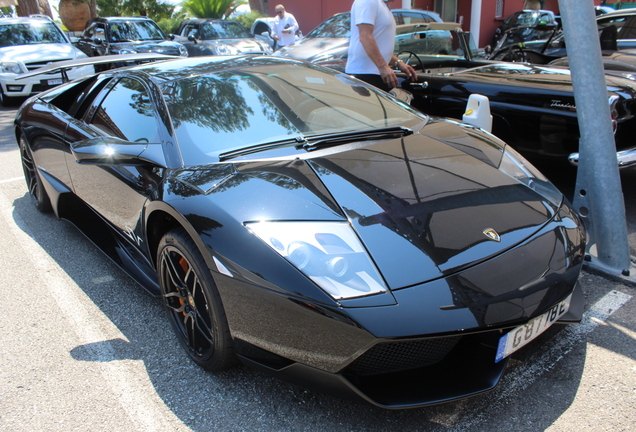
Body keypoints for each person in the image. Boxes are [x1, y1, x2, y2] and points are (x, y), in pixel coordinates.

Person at [345, 0, 417, 92]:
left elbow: (380, 45)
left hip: (375, 73)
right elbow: (365, 36)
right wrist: (383, 67)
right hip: (365, 74)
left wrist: (398, 62)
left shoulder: (382, 4)